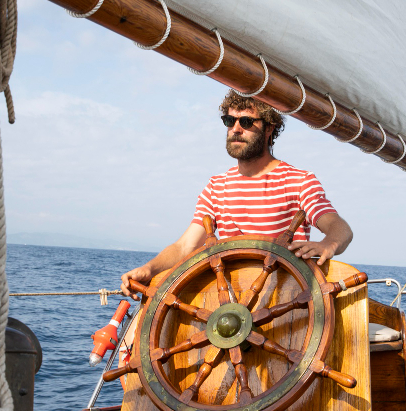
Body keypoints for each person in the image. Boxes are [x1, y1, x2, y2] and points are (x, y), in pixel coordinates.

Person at [121, 90, 352, 293]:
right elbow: (185, 247)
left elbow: (339, 228)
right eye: (230, 120)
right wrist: (148, 269)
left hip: (286, 297)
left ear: (269, 128)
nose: (236, 129)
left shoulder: (299, 181)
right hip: (229, 302)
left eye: (247, 122)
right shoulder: (217, 186)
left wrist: (328, 244)